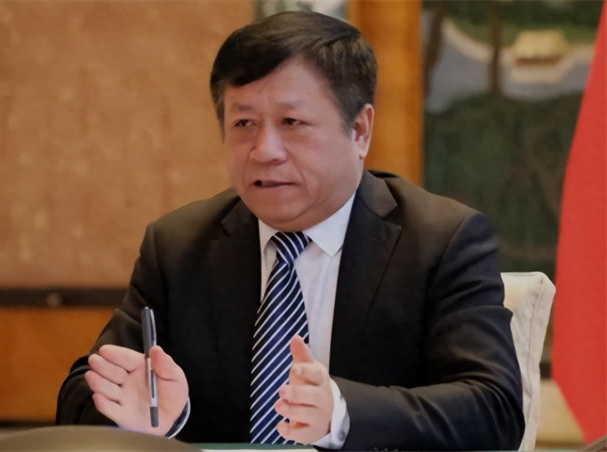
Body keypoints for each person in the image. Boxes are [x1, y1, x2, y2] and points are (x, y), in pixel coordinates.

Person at [56, 11, 524, 450]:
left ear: (359, 130)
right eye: (244, 123)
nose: (265, 150)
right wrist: (143, 418)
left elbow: (495, 409)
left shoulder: (440, 241)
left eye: (292, 122)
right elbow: (80, 396)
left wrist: (342, 413)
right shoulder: (179, 246)